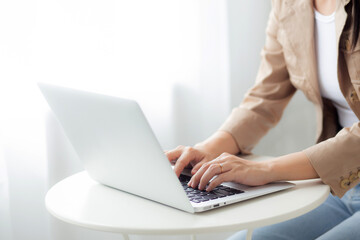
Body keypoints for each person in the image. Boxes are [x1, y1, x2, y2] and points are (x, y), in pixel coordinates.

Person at [165, 0, 360, 239]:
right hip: (344, 183)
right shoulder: (287, 4)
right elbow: (266, 96)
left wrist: (265, 169)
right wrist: (208, 150)